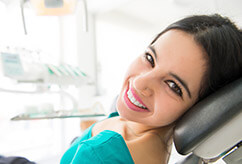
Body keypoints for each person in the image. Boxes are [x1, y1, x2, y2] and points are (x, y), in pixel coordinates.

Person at [60, 14, 242, 164]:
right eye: (150, 58)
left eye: (173, 86)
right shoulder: (139, 129)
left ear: (200, 110)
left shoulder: (100, 154)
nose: (140, 83)